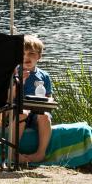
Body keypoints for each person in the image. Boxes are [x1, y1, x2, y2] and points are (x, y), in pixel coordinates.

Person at [17, 34, 53, 165]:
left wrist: (48, 101)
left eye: (31, 53)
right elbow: (10, 96)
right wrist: (19, 81)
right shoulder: (15, 72)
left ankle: (40, 153)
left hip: (37, 112)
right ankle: (13, 151)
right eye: (23, 53)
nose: (26, 57)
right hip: (19, 111)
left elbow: (48, 97)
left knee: (45, 116)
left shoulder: (44, 76)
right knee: (23, 113)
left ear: (39, 56)